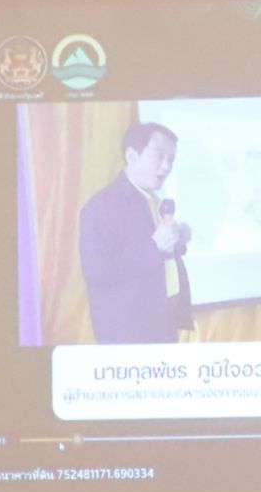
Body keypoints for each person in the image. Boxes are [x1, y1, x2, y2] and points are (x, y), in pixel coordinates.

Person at [77, 120, 193, 344]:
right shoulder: (101, 206)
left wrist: (177, 242)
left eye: (171, 159)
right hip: (129, 332)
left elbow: (152, 256)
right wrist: (155, 246)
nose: (166, 167)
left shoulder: (153, 200)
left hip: (163, 322)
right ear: (131, 156)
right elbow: (97, 271)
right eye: (159, 156)